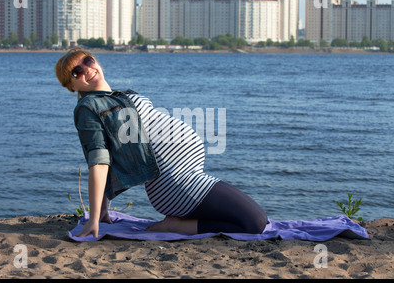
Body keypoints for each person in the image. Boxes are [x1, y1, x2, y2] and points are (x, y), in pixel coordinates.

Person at [55, 48, 268, 238]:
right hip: (174, 183)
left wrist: (102, 210)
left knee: (260, 219)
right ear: (71, 86)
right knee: (254, 223)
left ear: (96, 62)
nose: (86, 69)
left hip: (187, 175)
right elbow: (100, 160)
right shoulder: (88, 107)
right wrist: (94, 218)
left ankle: (179, 222)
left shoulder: (119, 95)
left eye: (88, 61)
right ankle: (176, 225)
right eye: (76, 72)